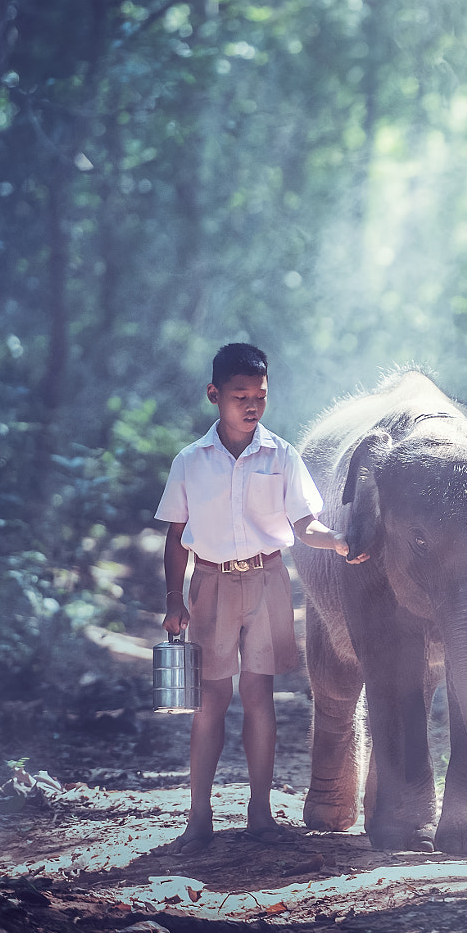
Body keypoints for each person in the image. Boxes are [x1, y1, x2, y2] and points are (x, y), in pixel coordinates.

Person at [155, 342, 350, 853]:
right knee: (211, 700)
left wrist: (336, 539)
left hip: (267, 581)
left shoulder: (282, 454)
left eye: (260, 396)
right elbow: (176, 536)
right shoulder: (191, 461)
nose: (251, 405)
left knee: (259, 695)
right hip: (211, 583)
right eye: (239, 395)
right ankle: (199, 816)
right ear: (213, 394)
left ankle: (260, 812)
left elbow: (305, 523)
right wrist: (174, 600)